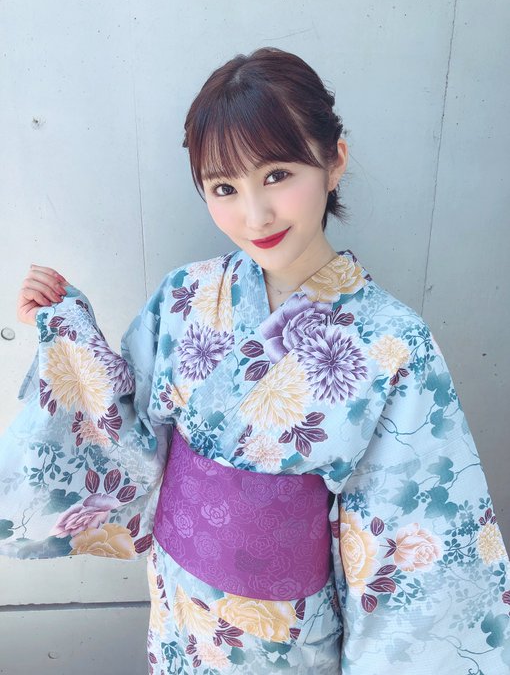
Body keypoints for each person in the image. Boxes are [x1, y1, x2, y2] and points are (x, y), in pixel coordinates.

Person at [2, 47, 509, 674]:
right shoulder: (186, 295)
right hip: (179, 609)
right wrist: (65, 330)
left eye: (277, 175)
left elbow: (412, 545)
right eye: (224, 188)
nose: (255, 214)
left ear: (334, 160)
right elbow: (124, 425)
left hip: (286, 638)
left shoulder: (392, 343)